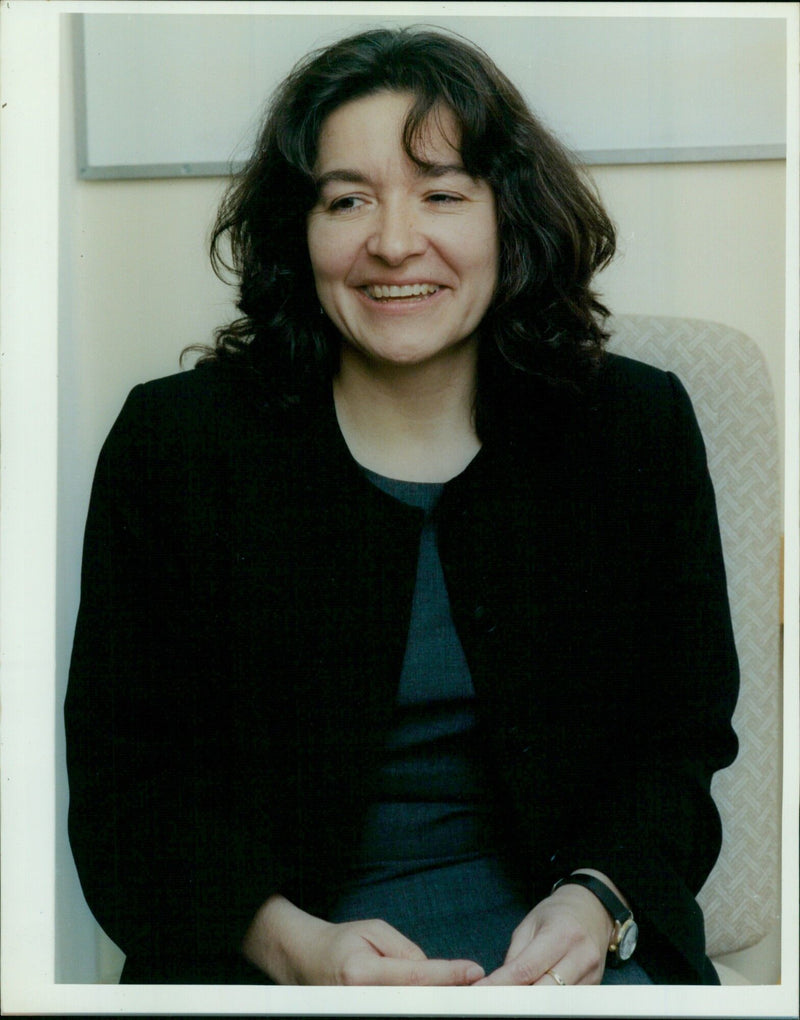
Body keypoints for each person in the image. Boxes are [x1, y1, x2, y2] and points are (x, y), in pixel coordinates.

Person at [64, 26, 739, 987]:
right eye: (348, 199)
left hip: (564, 960)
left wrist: (600, 901)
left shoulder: (635, 428)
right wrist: (292, 947)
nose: (391, 241)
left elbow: (682, 743)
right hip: (269, 962)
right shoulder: (177, 444)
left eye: (443, 193)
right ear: (300, 230)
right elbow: (127, 792)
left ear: (511, 215)